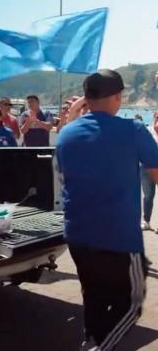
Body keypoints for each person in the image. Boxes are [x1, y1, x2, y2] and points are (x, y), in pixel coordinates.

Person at [56, 69, 158, 351]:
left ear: (86, 99)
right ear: (117, 97)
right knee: (132, 303)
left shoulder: (66, 135)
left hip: (78, 236)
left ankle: (91, 341)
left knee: (94, 296)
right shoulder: (133, 130)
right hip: (119, 239)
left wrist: (78, 107)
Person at [141, 111, 158, 231]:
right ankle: (146, 221)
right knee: (148, 195)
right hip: (146, 168)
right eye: (157, 116)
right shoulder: (147, 131)